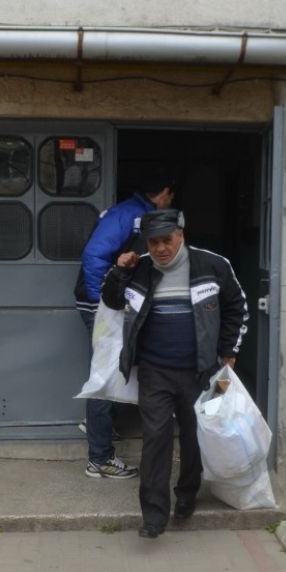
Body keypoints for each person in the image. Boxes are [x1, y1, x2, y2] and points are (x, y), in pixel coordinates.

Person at [100, 208, 247, 538]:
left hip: (204, 372)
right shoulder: (139, 268)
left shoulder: (213, 265)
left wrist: (229, 352)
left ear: (181, 235)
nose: (161, 248)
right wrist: (119, 271)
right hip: (154, 372)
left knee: (196, 436)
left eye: (167, 240)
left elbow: (236, 307)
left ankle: (187, 495)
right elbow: (111, 300)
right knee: (155, 439)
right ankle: (154, 515)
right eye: (153, 242)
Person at [75, 176, 175, 479]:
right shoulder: (127, 215)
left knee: (120, 366)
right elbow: (93, 255)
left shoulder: (138, 214)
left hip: (117, 304)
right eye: (171, 197)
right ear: (164, 193)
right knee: (106, 373)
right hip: (103, 305)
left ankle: (98, 426)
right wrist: (103, 304)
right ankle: (100, 458)